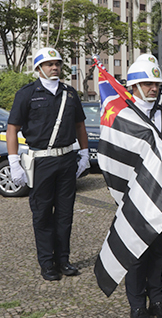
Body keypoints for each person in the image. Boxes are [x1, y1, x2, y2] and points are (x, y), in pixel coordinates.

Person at [7, 47, 88, 282]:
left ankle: (63, 260)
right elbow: (13, 128)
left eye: (58, 64)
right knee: (42, 214)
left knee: (65, 214)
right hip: (41, 161)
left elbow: (80, 126)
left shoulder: (70, 94)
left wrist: (83, 154)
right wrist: (14, 161)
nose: (55, 67)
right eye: (50, 64)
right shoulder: (27, 94)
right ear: (39, 68)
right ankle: (47, 263)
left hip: (66, 160)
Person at [121, 59, 162, 318]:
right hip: (134, 193)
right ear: (133, 85)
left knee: (157, 250)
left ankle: (157, 299)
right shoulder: (123, 113)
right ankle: (136, 304)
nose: (153, 88)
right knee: (136, 252)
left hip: (161, 192)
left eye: (156, 84)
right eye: (147, 83)